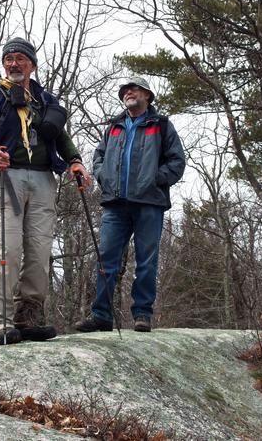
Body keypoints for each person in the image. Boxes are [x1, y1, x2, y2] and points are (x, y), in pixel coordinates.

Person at [0, 37, 91, 345]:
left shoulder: (45, 100)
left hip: (43, 180)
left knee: (38, 252)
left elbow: (60, 138)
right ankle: (1, 324)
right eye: (8, 59)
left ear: (32, 65)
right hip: (6, 179)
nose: (13, 64)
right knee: (6, 251)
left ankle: (27, 318)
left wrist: (75, 161)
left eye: (20, 59)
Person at [75, 77, 185, 333]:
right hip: (115, 203)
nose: (128, 93)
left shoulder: (161, 124)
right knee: (106, 259)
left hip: (149, 203)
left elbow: (177, 161)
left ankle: (143, 314)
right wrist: (102, 175)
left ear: (147, 95)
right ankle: (101, 315)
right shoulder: (114, 126)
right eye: (124, 91)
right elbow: (99, 156)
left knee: (147, 260)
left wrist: (155, 180)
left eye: (134, 89)